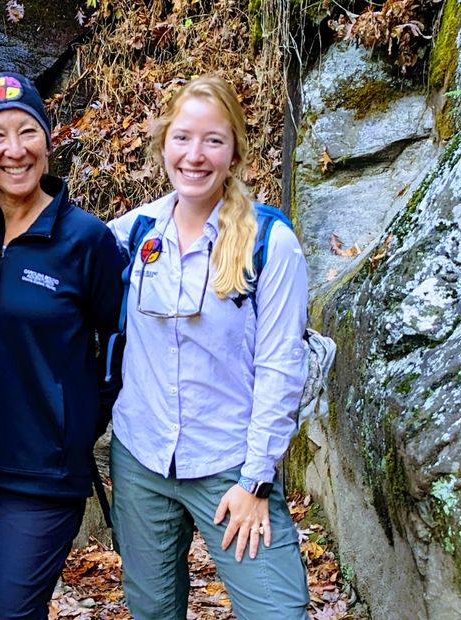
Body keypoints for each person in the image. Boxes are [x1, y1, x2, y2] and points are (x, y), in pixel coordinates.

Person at [106, 74, 311, 619]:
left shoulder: (271, 244)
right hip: (142, 458)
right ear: (162, 143)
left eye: (213, 140)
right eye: (182, 137)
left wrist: (255, 480)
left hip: (230, 466)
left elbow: (279, 368)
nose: (195, 156)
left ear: (235, 152)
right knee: (152, 613)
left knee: (278, 612)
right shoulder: (133, 233)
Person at [0, 71, 126, 619]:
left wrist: (77, 423)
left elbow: (118, 347)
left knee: (12, 613)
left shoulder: (85, 240)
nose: (15, 151)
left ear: (49, 138)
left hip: (44, 472)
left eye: (28, 132)